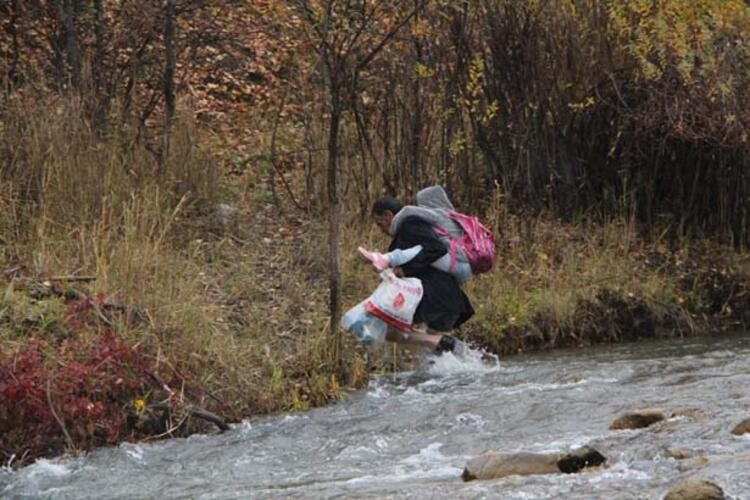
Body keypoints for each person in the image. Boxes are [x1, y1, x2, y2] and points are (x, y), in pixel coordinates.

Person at [368, 195, 474, 355]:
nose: (381, 230)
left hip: (437, 297)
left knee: (386, 328)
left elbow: (437, 248)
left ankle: (436, 342)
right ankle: (479, 361)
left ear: (389, 215)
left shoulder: (410, 225)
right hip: (445, 299)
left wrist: (404, 270)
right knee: (443, 358)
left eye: (380, 224)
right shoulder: (408, 228)